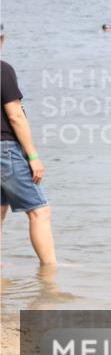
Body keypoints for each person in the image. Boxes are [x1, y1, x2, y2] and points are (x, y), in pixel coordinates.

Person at [0, 28, 57, 265]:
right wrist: (33, 155)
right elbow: (15, 116)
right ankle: (50, 272)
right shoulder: (3, 69)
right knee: (39, 211)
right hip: (4, 149)